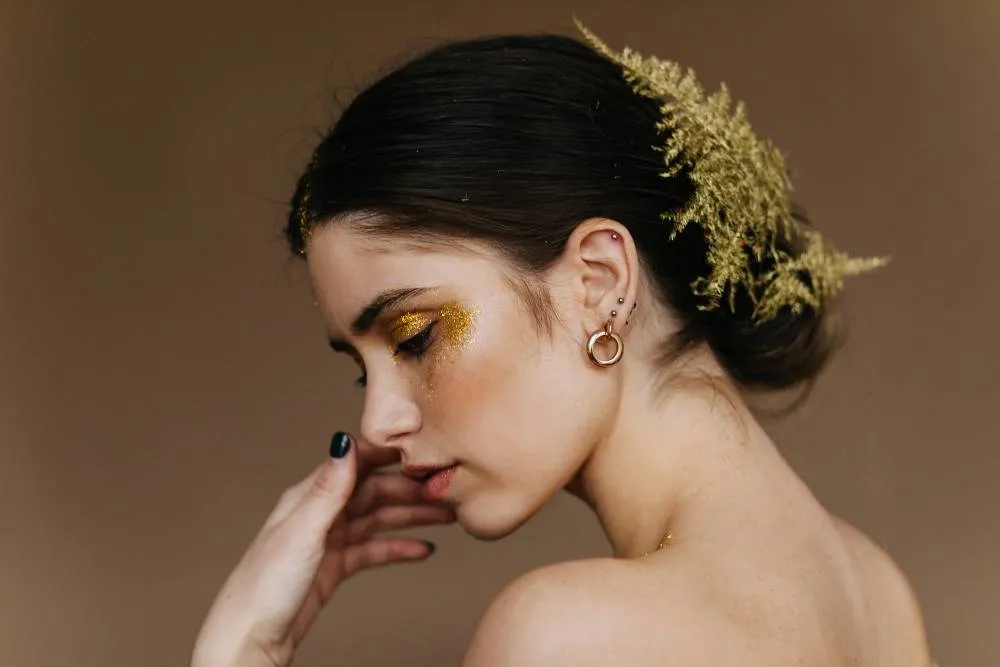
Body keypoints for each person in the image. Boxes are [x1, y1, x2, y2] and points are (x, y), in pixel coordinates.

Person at [191, 20, 934, 667]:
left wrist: (244, 648)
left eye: (414, 338)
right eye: (363, 373)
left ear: (599, 280)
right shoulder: (878, 590)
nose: (378, 423)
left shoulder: (569, 635)